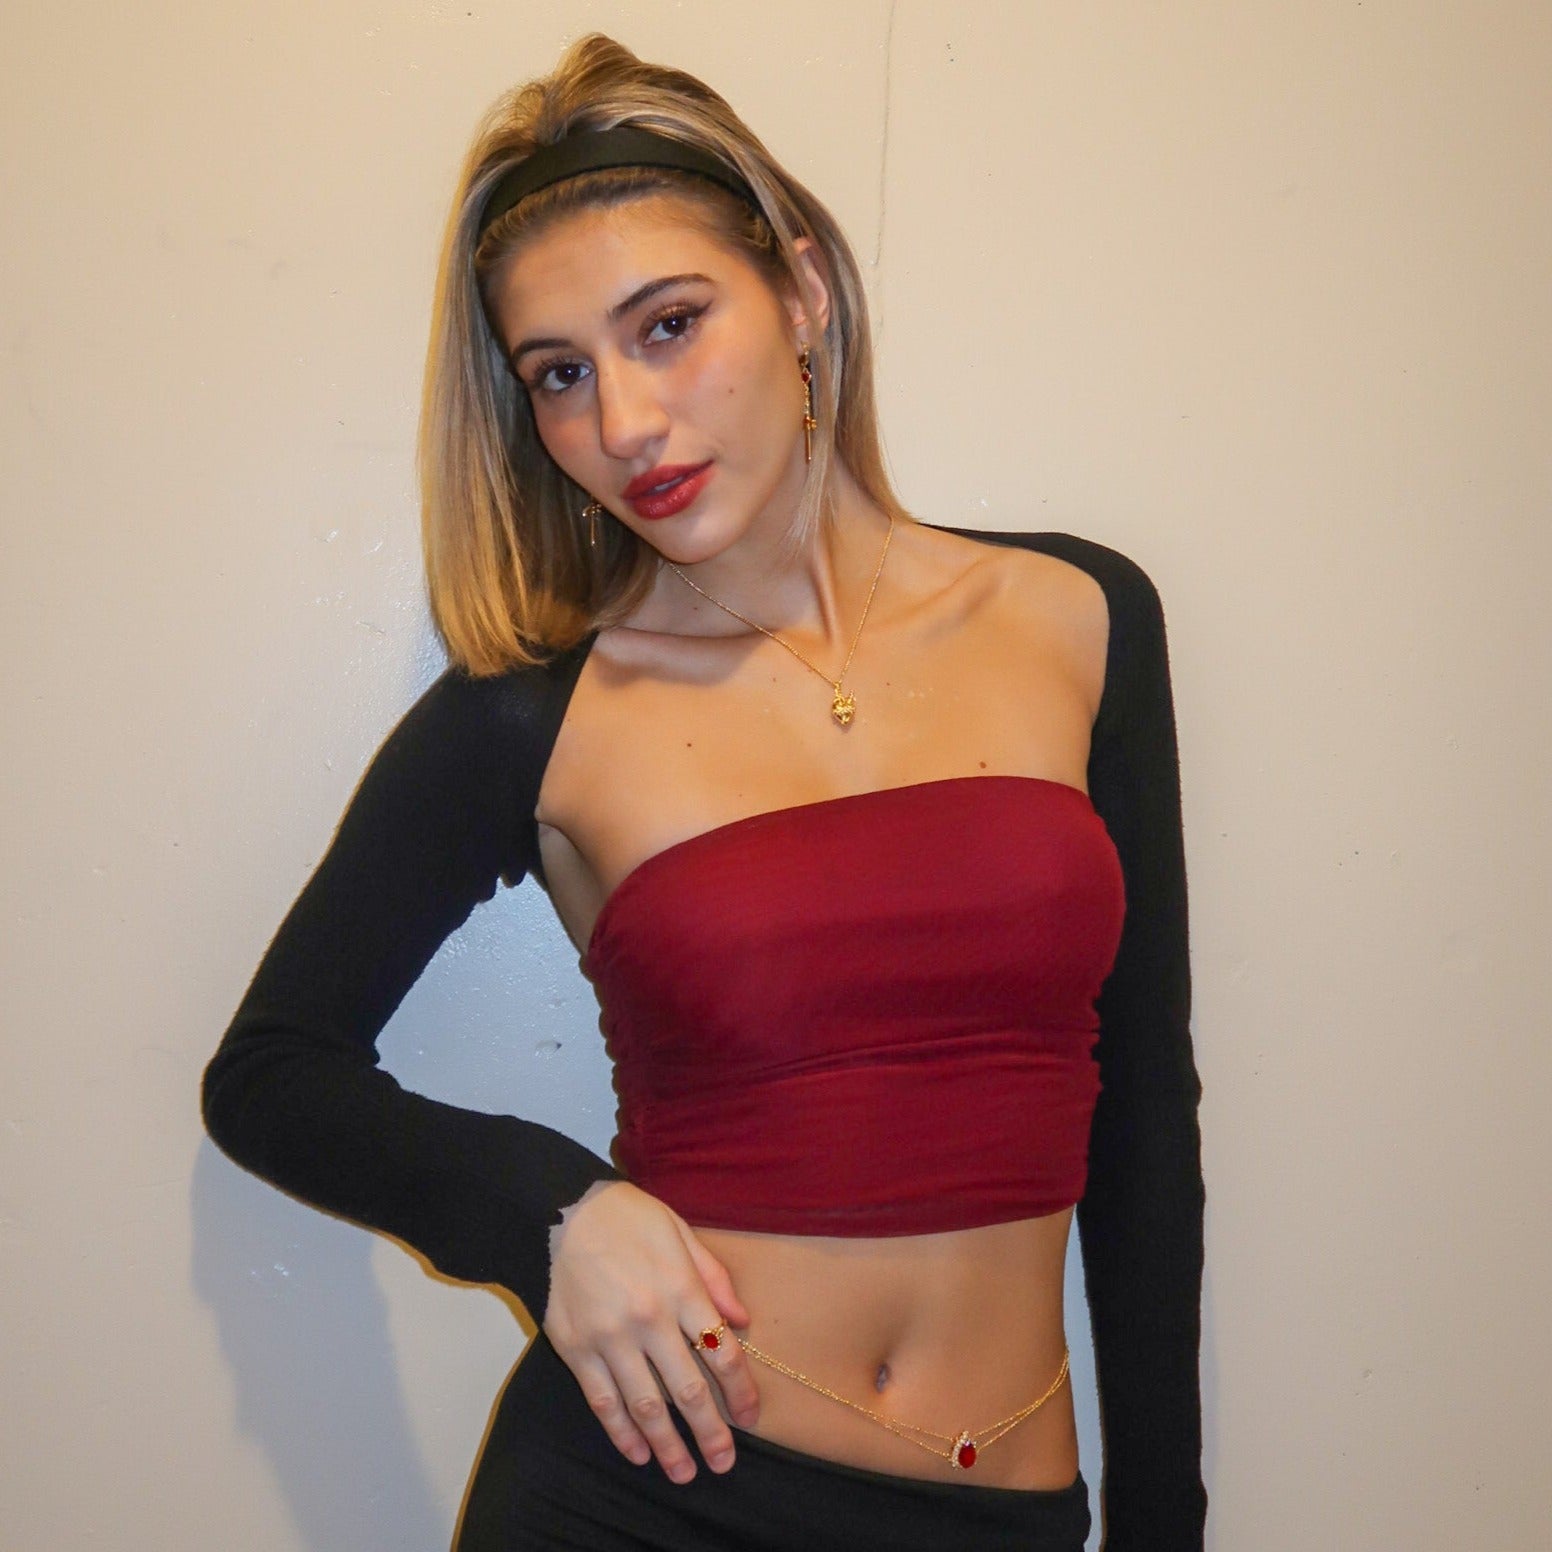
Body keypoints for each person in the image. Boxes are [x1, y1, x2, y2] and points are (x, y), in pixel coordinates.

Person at [202, 32, 1206, 1552]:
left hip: (1004, 1511)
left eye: (667, 325)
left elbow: (1143, 1116)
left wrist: (1165, 1524)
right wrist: (552, 1213)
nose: (622, 425)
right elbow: (272, 1074)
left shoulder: (1081, 616)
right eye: (560, 374)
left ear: (801, 291)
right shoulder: (534, 715)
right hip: (639, 1503)